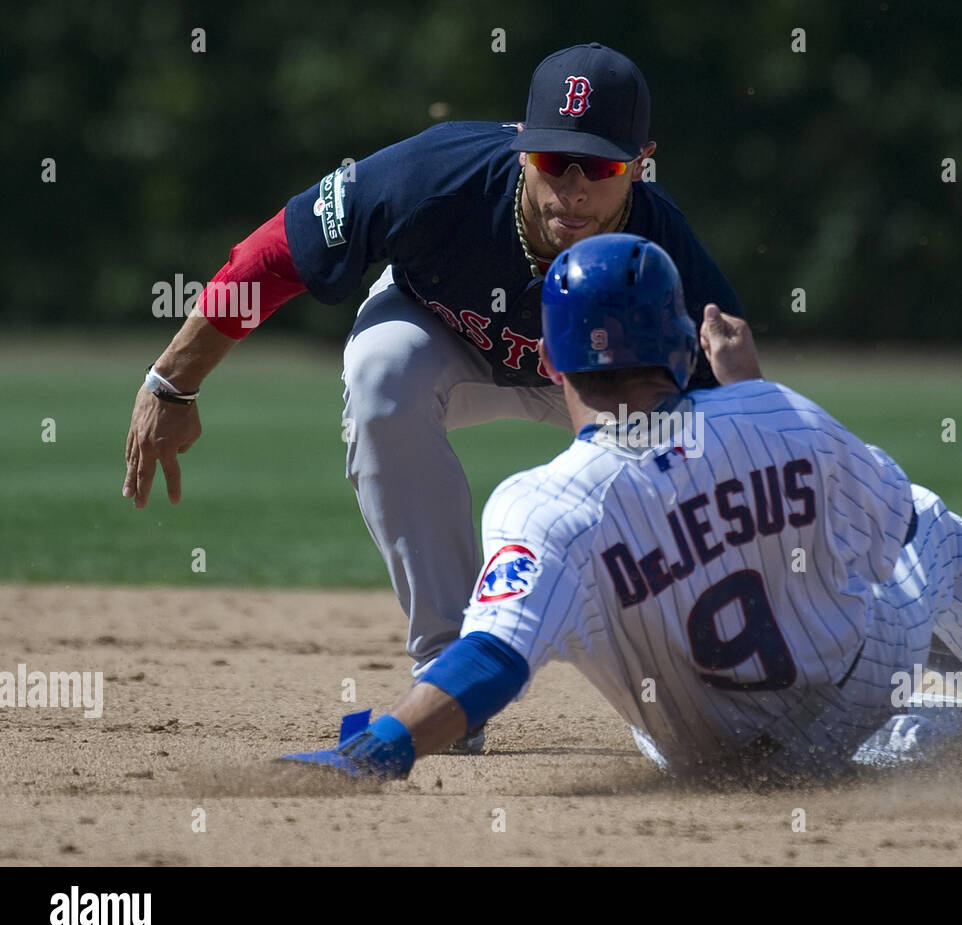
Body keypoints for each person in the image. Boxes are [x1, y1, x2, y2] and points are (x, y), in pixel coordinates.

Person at [279, 233, 962, 782]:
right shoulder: (777, 411)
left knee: (654, 667)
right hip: (859, 687)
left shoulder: (541, 506)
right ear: (679, 353)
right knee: (920, 522)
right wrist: (750, 395)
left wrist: (388, 745)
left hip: (711, 759)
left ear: (551, 364)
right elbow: (871, 533)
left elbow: (487, 663)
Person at [119, 44, 742, 752]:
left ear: (641, 160)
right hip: (439, 336)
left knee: (675, 443)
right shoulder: (435, 174)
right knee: (382, 374)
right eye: (551, 161)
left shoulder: (667, 253)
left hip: (589, 386)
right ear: (521, 149)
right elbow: (276, 254)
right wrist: (172, 381)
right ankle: (449, 680)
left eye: (599, 167)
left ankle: (703, 672)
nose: (572, 188)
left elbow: (735, 417)